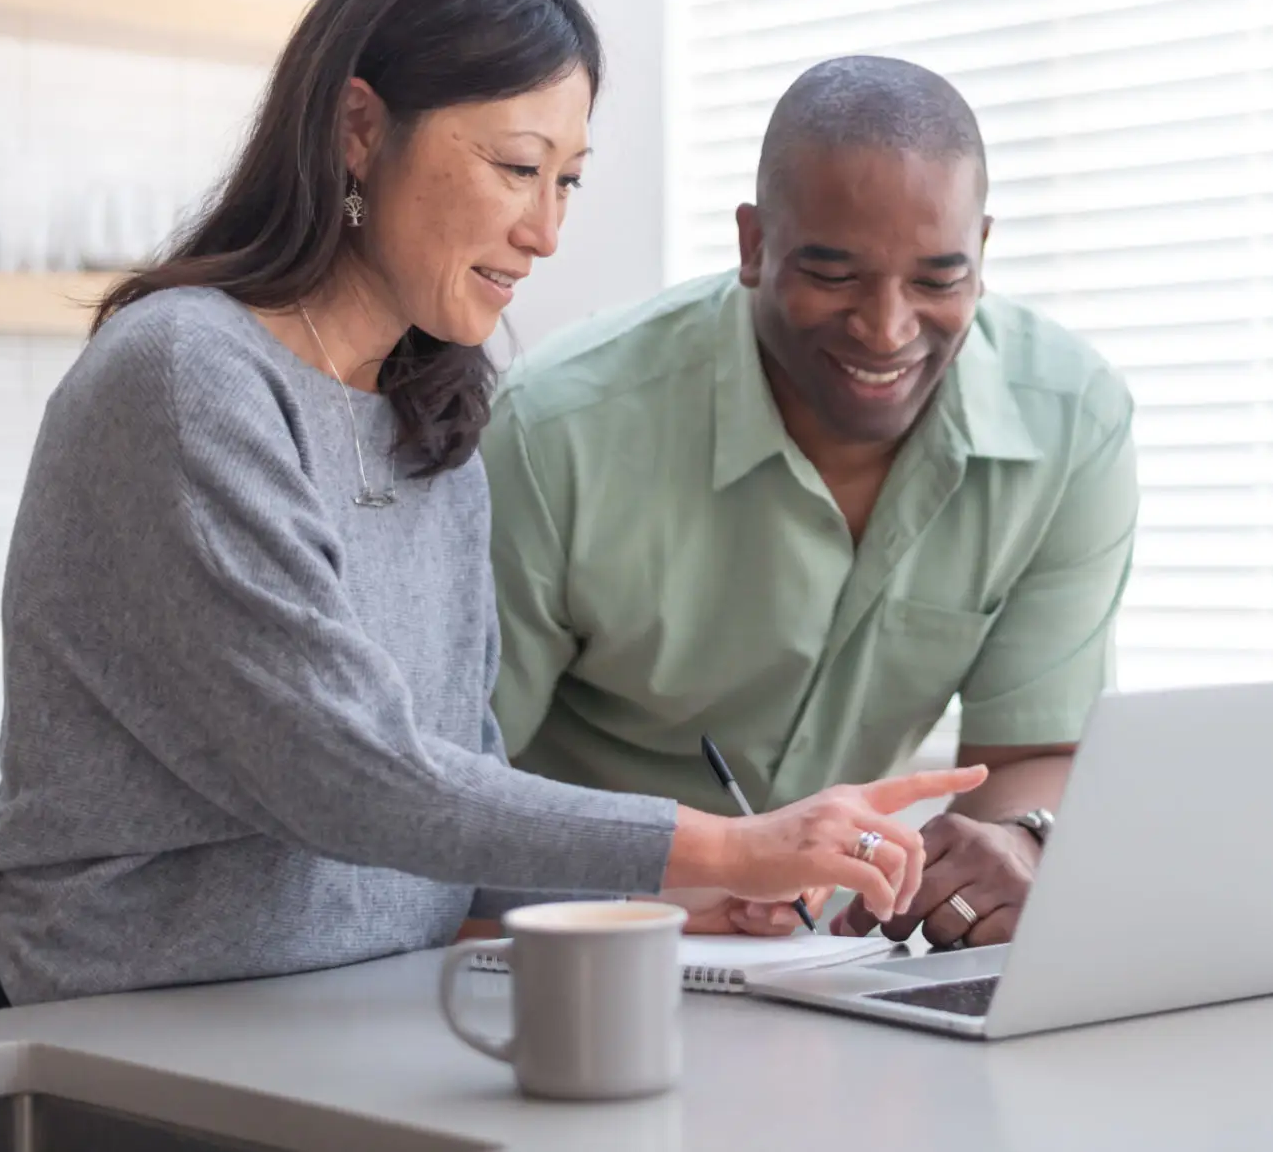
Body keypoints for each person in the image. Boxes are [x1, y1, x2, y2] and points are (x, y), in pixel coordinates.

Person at [0, 0, 983, 1010]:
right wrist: (723, 847)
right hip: (103, 1030)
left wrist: (683, 905)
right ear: (359, 128)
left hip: (336, 1024)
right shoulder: (186, 376)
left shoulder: (428, 428)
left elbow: (447, 815)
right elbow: (347, 779)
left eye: (568, 180)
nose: (544, 231)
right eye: (517, 167)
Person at [483, 55, 1138, 947]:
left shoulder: (1070, 422)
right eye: (835, 276)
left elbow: (1034, 753)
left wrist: (1014, 842)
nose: (887, 327)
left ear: (983, 249)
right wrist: (690, 874)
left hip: (828, 970)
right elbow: (446, 785)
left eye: (938, 280)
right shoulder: (556, 431)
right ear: (753, 245)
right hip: (578, 951)